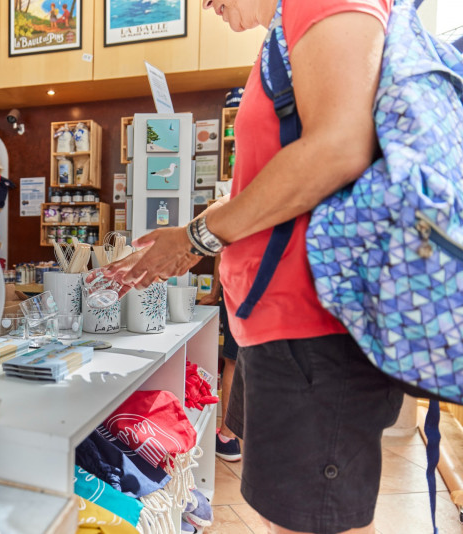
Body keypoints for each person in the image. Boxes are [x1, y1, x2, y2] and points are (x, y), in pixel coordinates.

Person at [98, 0, 402, 532]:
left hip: (312, 327)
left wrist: (196, 236)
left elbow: (338, 147)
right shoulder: (282, 30)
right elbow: (266, 184)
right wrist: (191, 238)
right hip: (283, 330)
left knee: (312, 521)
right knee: (294, 517)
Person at [198, 253, 242, 462]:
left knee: (235, 361)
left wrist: (215, 292)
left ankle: (227, 437)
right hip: (282, 283)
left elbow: (222, 248)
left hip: (241, 282)